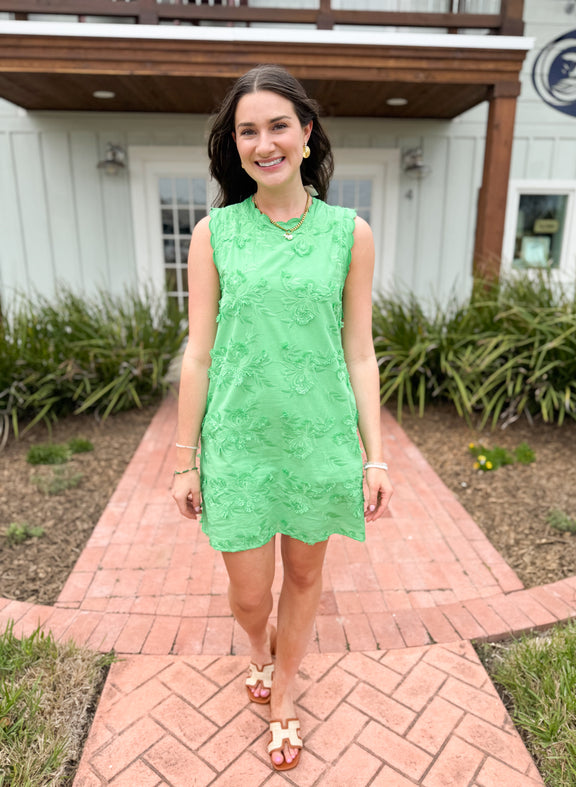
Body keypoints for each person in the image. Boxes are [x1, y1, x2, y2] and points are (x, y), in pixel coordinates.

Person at [172, 64, 393, 772]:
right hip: (237, 442)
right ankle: (258, 649)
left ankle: (285, 694)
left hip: (318, 440)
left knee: (303, 578)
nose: (263, 143)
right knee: (247, 592)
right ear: (233, 145)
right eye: (247, 131)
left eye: (277, 126)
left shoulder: (348, 234)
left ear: (305, 134)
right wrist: (185, 456)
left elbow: (360, 352)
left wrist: (375, 454)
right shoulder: (214, 235)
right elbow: (198, 353)